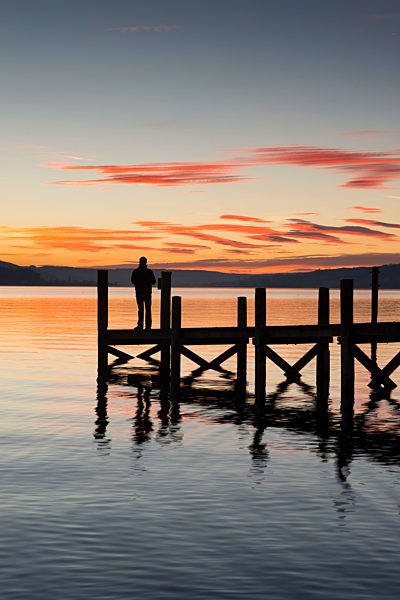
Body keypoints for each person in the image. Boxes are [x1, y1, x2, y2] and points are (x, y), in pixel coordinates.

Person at [131, 257, 156, 330]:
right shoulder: (149, 272)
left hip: (139, 293)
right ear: (146, 262)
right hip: (147, 293)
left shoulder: (136, 271)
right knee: (148, 309)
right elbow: (154, 281)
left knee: (141, 309)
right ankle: (148, 326)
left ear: (139, 262)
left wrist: (139, 282)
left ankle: (140, 326)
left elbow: (133, 281)